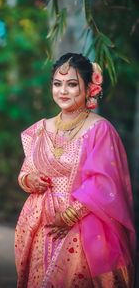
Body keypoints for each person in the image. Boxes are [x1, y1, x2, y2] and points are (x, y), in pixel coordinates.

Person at [14, 53, 136, 288]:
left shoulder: (99, 129)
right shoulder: (40, 129)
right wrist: (30, 179)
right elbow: (24, 172)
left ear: (90, 87)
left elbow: (103, 183)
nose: (63, 91)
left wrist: (69, 216)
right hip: (40, 227)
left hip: (82, 225)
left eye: (72, 84)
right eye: (58, 84)